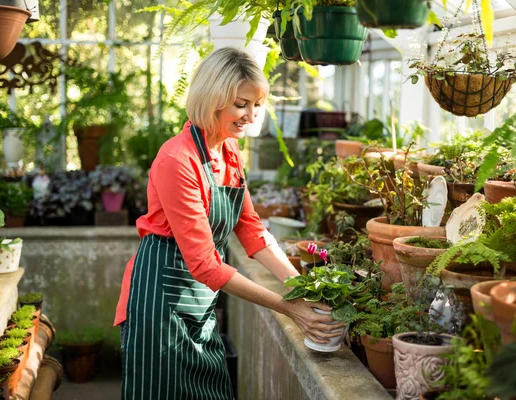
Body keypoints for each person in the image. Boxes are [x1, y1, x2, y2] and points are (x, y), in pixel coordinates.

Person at [114, 47, 344, 399]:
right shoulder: (177, 160)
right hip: (159, 307)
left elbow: (251, 229)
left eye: (256, 104)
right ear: (213, 98)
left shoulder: (229, 152)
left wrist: (303, 289)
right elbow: (205, 264)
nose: (251, 116)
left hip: (201, 304)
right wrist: (288, 307)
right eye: (241, 104)